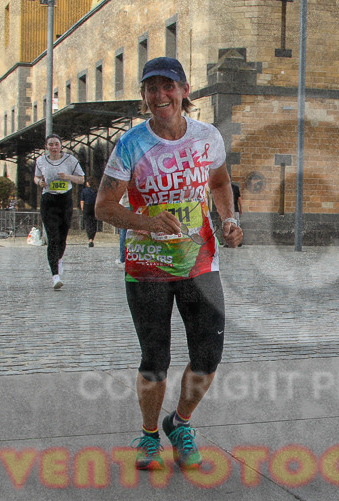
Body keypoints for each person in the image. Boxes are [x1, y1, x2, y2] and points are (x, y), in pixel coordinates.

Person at [95, 57, 242, 471]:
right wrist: (145, 222)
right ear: (144, 96)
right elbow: (103, 206)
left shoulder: (207, 136)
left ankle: (179, 423)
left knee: (208, 356)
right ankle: (147, 437)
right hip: (147, 266)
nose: (160, 95)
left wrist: (229, 219)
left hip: (200, 260)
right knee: (154, 360)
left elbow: (218, 183)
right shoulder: (131, 144)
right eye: (151, 88)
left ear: (184, 91)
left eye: (168, 86)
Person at [34, 134, 85, 289]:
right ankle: (55, 275)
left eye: (56, 144)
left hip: (65, 200)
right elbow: (36, 177)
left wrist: (67, 176)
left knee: (62, 236)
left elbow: (81, 179)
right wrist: (40, 182)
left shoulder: (70, 160)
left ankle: (59, 258)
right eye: (51, 144)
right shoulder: (41, 160)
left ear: (61, 146)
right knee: (53, 237)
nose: (54, 147)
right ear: (46, 146)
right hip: (48, 200)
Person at [79, 179, 99, 248]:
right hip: (94, 207)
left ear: (88, 183)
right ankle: (92, 238)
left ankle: (89, 239)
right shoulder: (96, 191)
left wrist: (83, 209)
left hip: (87, 207)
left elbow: (82, 201)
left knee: (88, 223)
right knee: (94, 223)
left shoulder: (84, 191)